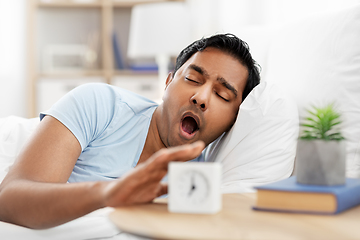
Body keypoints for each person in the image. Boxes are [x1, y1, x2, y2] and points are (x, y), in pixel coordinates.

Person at [0, 33, 260, 229]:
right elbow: (9, 200)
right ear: (168, 82)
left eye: (222, 94)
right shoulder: (99, 102)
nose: (201, 97)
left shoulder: (203, 181)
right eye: (192, 79)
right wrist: (108, 193)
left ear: (233, 119)